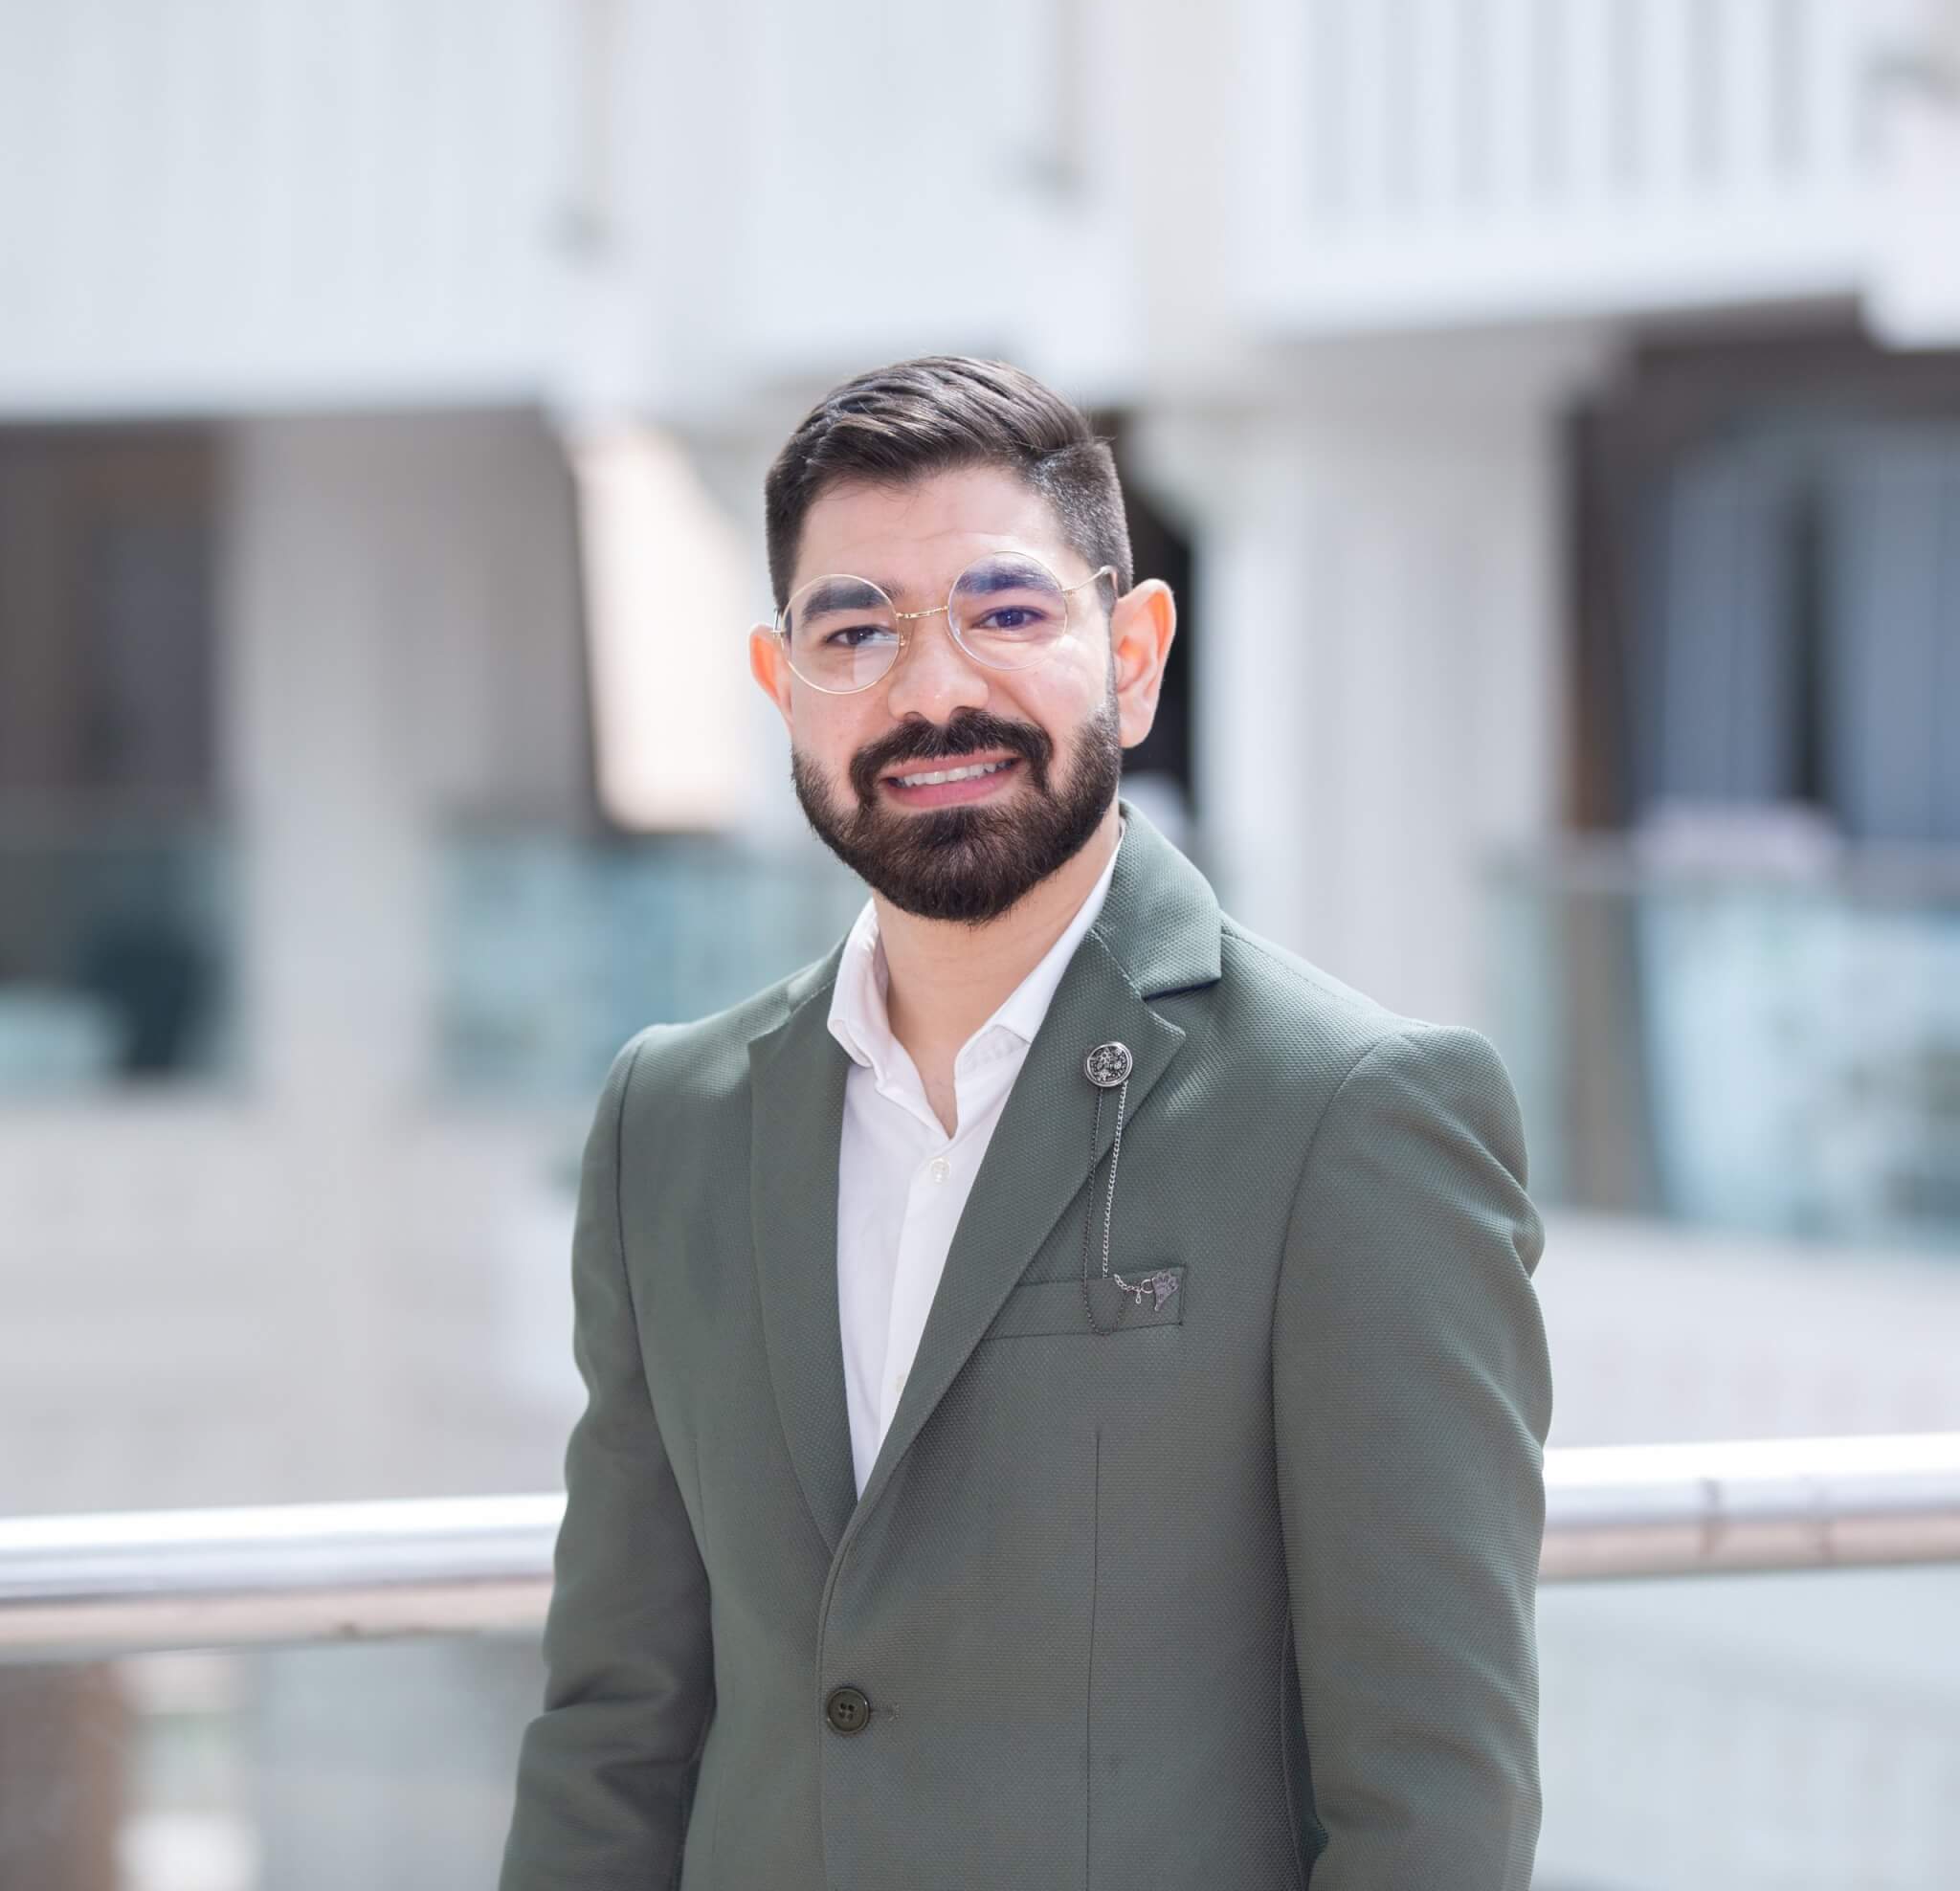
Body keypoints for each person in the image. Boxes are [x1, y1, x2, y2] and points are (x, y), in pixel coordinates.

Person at [500, 356, 1553, 1891]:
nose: (931, 692)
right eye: (855, 632)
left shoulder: (1353, 1118)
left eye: (1004, 614)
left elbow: (1434, 1805)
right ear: (783, 684)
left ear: (1132, 653)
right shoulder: (670, 1122)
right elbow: (616, 1732)